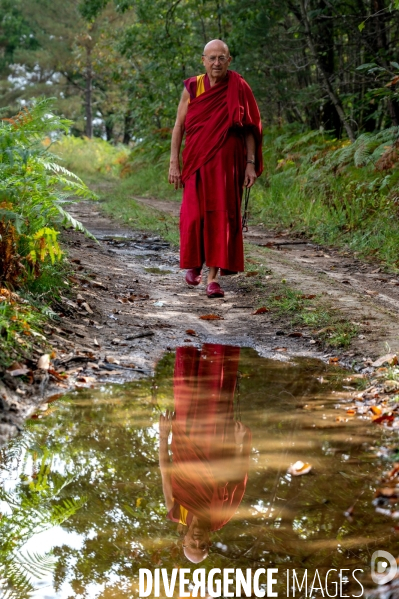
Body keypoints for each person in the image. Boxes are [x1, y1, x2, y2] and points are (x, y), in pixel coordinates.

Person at [169, 39, 263, 298]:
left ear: (229, 60)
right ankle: (194, 263)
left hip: (227, 167)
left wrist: (250, 165)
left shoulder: (239, 86)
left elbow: (250, 129)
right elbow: (179, 126)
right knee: (194, 216)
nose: (216, 63)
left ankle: (213, 278)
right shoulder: (193, 87)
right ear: (203, 61)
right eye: (211, 58)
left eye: (221, 57)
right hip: (197, 163)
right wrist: (174, 162)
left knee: (221, 218)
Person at [159, 344, 252, 563]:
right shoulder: (219, 517)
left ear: (184, 541)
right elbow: (235, 479)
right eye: (203, 546)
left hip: (184, 437)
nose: (197, 541)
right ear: (209, 541)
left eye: (192, 545)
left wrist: (163, 436)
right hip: (216, 441)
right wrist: (239, 444)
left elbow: (165, 472)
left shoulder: (178, 514)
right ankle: (218, 340)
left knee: (185, 388)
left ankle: (187, 337)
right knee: (214, 391)